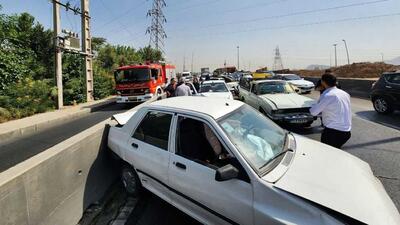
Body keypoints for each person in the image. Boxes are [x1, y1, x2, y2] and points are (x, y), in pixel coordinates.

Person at [310, 73, 351, 149]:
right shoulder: (345, 93)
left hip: (333, 133)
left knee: (327, 154)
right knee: (336, 153)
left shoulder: (328, 95)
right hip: (346, 131)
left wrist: (313, 107)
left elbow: (313, 112)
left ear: (323, 82)